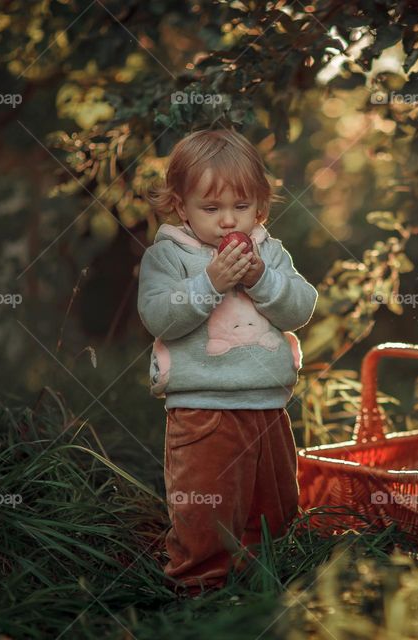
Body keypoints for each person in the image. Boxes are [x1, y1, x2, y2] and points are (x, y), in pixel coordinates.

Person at [138, 128, 317, 596]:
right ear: (181, 207)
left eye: (241, 207)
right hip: (203, 409)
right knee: (206, 508)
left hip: (268, 408)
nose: (227, 222)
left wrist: (262, 279)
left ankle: (264, 582)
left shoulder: (270, 253)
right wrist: (209, 284)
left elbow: (300, 307)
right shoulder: (168, 256)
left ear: (259, 205)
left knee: (272, 505)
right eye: (211, 208)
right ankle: (200, 588)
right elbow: (159, 315)